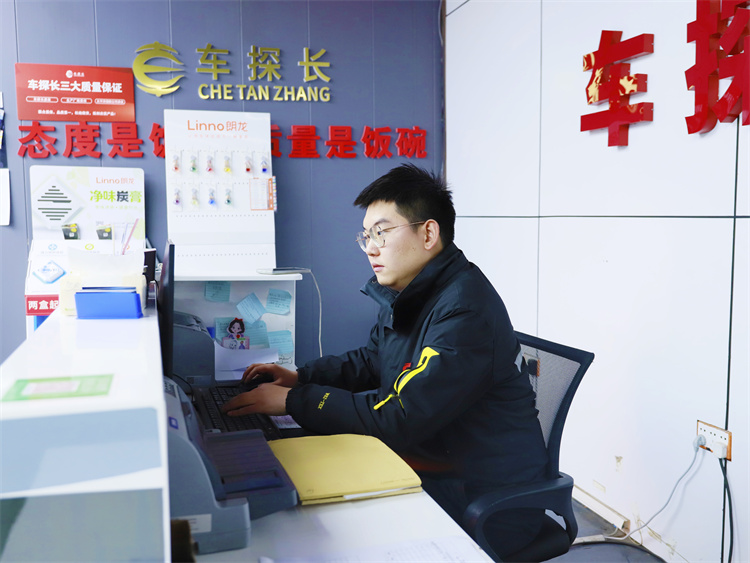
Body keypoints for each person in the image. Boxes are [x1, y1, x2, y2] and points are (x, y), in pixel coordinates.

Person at [222, 164, 548, 558]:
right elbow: (373, 360)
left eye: (381, 232)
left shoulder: (465, 310)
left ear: (428, 233)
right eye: (366, 236)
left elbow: (400, 416)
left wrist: (294, 401)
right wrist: (298, 377)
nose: (370, 248)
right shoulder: (412, 291)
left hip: (484, 495)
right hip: (434, 462)